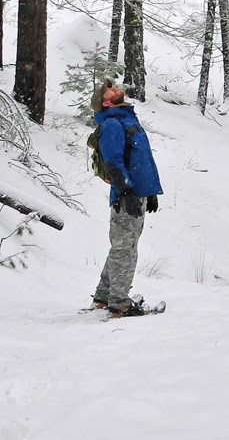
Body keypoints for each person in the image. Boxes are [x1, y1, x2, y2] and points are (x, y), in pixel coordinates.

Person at [89, 82, 163, 318]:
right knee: (125, 249)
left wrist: (149, 192)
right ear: (106, 102)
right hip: (126, 197)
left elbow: (141, 160)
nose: (112, 87)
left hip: (136, 193)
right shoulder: (112, 124)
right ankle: (119, 304)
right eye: (107, 90)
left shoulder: (127, 120)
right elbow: (113, 163)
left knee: (122, 246)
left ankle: (103, 297)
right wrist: (127, 193)